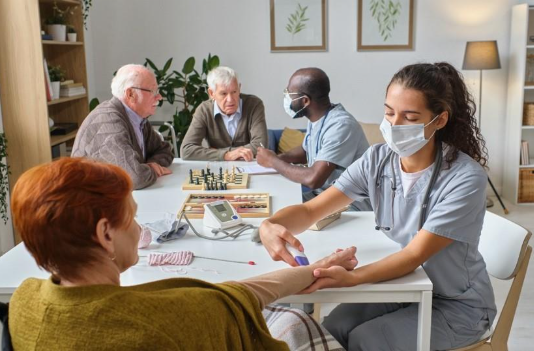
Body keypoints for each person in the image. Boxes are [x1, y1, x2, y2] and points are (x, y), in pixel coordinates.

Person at [258, 62, 497, 350]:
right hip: (405, 286)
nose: (394, 125)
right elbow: (311, 211)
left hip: (456, 305)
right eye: (389, 112)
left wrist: (352, 279)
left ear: (439, 120)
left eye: (409, 117)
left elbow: (413, 255)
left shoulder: (465, 178)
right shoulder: (377, 159)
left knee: (364, 340)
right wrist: (271, 225)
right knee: (332, 329)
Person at [8, 157, 355, 351]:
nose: (139, 229)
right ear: (105, 234)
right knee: (296, 323)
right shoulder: (164, 322)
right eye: (130, 217)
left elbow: (231, 297)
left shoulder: (23, 302)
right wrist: (317, 268)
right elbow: (234, 299)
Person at [256, 68, 370, 210]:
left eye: (289, 93)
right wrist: (279, 157)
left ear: (305, 101)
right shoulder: (317, 118)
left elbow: (313, 179)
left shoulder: (341, 126)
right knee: (274, 205)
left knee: (281, 215)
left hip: (350, 205)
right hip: (323, 196)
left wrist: (273, 161)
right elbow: (305, 150)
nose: (286, 97)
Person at [71, 64, 173, 190]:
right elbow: (135, 178)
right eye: (153, 91)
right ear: (130, 94)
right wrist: (150, 168)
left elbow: (165, 151)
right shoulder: (108, 121)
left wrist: (148, 165)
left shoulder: (138, 118)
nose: (159, 97)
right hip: (87, 203)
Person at [180, 66, 268, 161]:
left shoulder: (254, 105)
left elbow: (260, 146)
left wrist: (217, 152)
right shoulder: (204, 110)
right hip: (219, 170)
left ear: (239, 88)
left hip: (250, 167)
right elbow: (186, 150)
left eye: (234, 92)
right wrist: (226, 155)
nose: (230, 100)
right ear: (211, 93)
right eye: (223, 94)